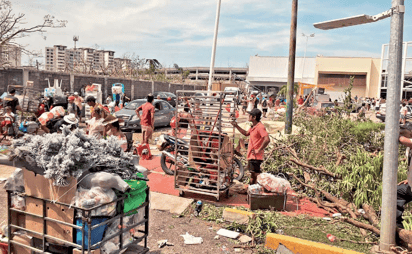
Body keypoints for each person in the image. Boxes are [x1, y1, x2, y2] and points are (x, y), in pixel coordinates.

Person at [231, 108, 270, 185]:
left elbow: (267, 139)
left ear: (254, 117)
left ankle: (253, 191)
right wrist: (236, 126)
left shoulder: (260, 127)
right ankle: (252, 191)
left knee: (255, 175)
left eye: (250, 115)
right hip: (252, 155)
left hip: (255, 156)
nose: (248, 116)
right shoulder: (253, 126)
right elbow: (246, 133)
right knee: (253, 174)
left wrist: (258, 149)